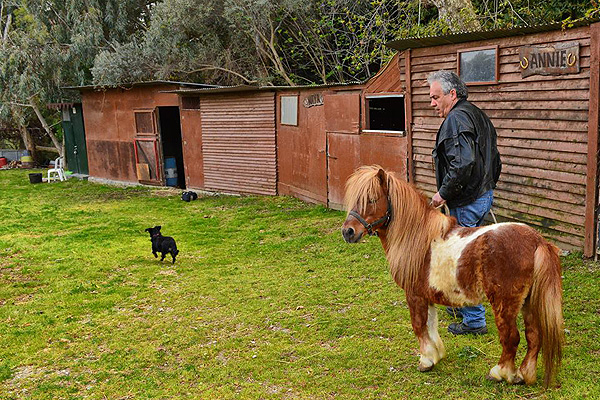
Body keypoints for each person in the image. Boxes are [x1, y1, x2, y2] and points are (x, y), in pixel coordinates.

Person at [428, 70, 502, 335]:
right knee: (468, 253)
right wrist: (487, 188)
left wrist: (442, 194)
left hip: (467, 200)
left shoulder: (457, 119)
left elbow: (463, 163)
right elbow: (495, 159)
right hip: (481, 195)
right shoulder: (477, 114)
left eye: (436, 97)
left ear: (452, 94)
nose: (432, 103)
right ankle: (459, 306)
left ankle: (474, 320)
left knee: (463, 258)